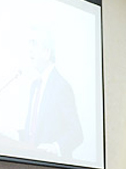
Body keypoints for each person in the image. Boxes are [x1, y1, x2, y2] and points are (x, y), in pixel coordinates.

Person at [20, 29, 83, 160]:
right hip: (30, 163)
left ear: (46, 52)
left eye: (34, 44)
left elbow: (76, 134)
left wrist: (55, 147)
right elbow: (34, 133)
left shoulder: (61, 87)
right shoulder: (35, 86)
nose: (29, 50)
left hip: (52, 168)